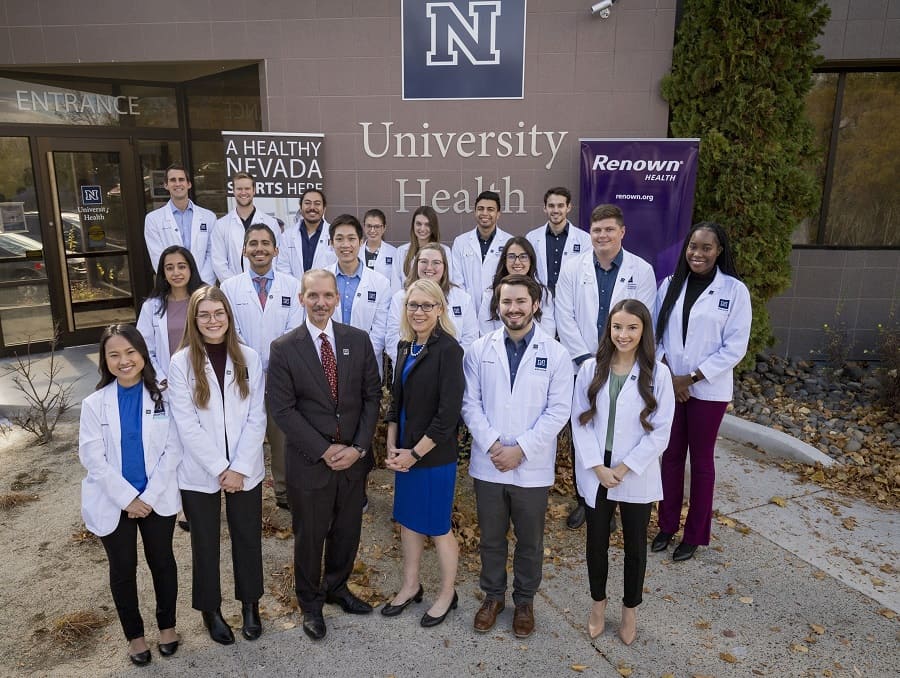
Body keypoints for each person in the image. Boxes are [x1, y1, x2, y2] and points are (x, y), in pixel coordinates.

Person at [266, 270, 382, 641]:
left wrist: (359, 448)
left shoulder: (357, 341)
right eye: (313, 295)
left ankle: (337, 587)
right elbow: (282, 409)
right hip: (311, 462)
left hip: (352, 461)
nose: (321, 302)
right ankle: (310, 603)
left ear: (337, 299)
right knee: (310, 536)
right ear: (301, 298)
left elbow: (371, 397)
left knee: (347, 531)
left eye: (328, 295)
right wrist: (323, 449)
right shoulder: (284, 348)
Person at [462, 275, 572, 638]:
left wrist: (521, 449)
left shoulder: (555, 354)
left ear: (535, 304)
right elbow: (469, 404)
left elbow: (558, 412)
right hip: (489, 463)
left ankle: (524, 601)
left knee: (530, 540)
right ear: (498, 305)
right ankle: (493, 597)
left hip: (531, 466)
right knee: (491, 538)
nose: (513, 309)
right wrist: (495, 446)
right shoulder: (479, 349)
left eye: (521, 301)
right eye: (506, 302)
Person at [571, 299, 675, 645]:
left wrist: (624, 467)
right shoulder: (591, 368)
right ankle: (598, 604)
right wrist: (598, 467)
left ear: (643, 330)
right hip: (597, 470)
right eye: (617, 327)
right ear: (609, 329)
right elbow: (579, 421)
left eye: (632, 327)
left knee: (635, 548)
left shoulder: (658, 374)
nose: (624, 334)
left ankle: (630, 609)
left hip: (634, 470)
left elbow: (661, 431)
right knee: (596, 544)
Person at [167, 287, 267, 645]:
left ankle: (251, 605)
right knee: (205, 543)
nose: (213, 321)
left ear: (229, 316)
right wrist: (219, 467)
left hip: (246, 468)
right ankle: (211, 610)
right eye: (205, 315)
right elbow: (185, 423)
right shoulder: (180, 363)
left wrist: (238, 467)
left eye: (219, 313)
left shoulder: (249, 358)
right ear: (194, 320)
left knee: (247, 537)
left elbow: (257, 416)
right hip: (200, 471)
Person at [78, 325, 182, 666]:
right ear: (104, 360)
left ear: (142, 354)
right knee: (123, 569)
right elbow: (92, 458)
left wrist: (148, 497)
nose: (124, 361)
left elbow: (173, 449)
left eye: (130, 353)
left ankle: (167, 627)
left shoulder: (163, 397)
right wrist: (128, 499)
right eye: (114, 355)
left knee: (162, 562)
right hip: (113, 500)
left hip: (156, 497)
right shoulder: (94, 404)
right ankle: (135, 636)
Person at [650, 222, 752, 562]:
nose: (698, 253)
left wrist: (691, 378)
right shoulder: (669, 285)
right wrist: (669, 374)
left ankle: (694, 535)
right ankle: (666, 525)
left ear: (719, 250)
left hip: (708, 391)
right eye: (693, 246)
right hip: (672, 385)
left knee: (702, 462)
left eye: (706, 247)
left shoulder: (734, 291)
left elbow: (734, 347)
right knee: (672, 456)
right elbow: (656, 334)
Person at [555, 203, 657, 530]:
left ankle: (614, 500)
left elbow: (642, 319)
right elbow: (564, 316)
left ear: (622, 232)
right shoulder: (573, 269)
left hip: (623, 365)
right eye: (597, 230)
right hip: (583, 364)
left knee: (618, 428)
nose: (602, 236)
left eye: (609, 230)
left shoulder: (641, 271)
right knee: (583, 428)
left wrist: (614, 360)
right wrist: (587, 361)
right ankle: (586, 500)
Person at [382, 279, 465, 627]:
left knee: (437, 526)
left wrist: (414, 454)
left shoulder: (449, 350)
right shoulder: (405, 346)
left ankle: (447, 592)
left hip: (432, 456)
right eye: (412, 305)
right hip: (405, 451)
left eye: (426, 305)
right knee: (408, 522)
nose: (418, 312)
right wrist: (390, 442)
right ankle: (411, 584)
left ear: (440, 309)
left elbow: (448, 417)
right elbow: (396, 401)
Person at [220, 223, 303, 510]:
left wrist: (273, 363)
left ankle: (283, 492)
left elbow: (295, 327)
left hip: (282, 376)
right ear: (244, 250)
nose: (259, 248)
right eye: (253, 243)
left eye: (265, 243)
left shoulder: (292, 286)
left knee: (281, 437)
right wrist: (255, 363)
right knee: (244, 434)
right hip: (243, 374)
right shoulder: (229, 287)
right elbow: (231, 329)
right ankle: (242, 488)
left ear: (275, 250)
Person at [385, 242, 478, 363]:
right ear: (416, 264)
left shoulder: (462, 298)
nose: (429, 267)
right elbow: (392, 339)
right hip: (410, 370)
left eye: (436, 263)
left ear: (444, 266)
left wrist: (447, 363)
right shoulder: (400, 298)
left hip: (450, 369)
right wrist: (418, 364)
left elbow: (470, 340)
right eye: (423, 261)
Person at [325, 214, 392, 378]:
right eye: (339, 239)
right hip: (328, 361)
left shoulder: (380, 283)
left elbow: (380, 329)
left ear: (361, 242)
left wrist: (359, 356)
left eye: (351, 238)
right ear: (331, 243)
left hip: (366, 364)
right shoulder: (322, 278)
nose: (345, 245)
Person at [137, 246, 206, 387]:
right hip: (169, 381)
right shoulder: (151, 306)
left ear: (191, 269)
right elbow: (143, 347)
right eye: (169, 268)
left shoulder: (205, 300)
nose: (176, 273)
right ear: (163, 273)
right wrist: (161, 378)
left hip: (204, 376)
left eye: (182, 266)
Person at [144, 162, 217, 285]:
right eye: (173, 180)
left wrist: (201, 282)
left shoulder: (209, 217)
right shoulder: (153, 219)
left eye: (181, 179)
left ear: (189, 184)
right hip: (173, 286)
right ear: (166, 185)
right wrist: (177, 282)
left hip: (202, 285)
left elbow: (213, 254)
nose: (177, 184)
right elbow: (158, 258)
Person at [478, 236, 556, 338]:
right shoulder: (490, 294)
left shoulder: (544, 294)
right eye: (511, 256)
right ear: (504, 260)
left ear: (531, 260)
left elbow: (548, 333)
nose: (517, 262)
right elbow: (486, 335)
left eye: (523, 256)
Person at [211, 172, 282, 282]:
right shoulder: (221, 225)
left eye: (247, 188)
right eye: (239, 189)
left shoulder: (271, 223)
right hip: (233, 289)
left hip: (266, 285)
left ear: (253, 190)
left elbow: (276, 259)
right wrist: (235, 286)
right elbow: (219, 263)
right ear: (233, 191)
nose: (243, 192)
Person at [526, 187, 591, 295]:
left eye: (560, 206)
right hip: (541, 299)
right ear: (545, 208)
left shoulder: (584, 239)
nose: (556, 210)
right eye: (551, 206)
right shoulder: (532, 237)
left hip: (572, 298)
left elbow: (588, 275)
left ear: (568, 207)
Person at [451, 190, 512, 306]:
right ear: (475, 212)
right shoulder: (460, 242)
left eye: (490, 209)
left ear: (498, 214)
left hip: (499, 308)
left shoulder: (509, 242)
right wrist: (466, 306)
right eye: (480, 209)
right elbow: (457, 281)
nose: (485, 213)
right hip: (468, 307)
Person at [276, 188, 335, 278]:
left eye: (317, 204)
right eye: (307, 203)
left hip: (325, 290)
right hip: (294, 290)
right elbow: (283, 269)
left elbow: (337, 268)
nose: (312, 207)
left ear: (324, 209)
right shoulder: (287, 236)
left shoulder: (334, 235)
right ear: (300, 207)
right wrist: (299, 289)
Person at [393, 206, 454, 289]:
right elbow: (395, 285)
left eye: (427, 225)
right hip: (407, 300)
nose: (422, 228)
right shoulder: (401, 251)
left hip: (435, 299)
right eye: (418, 224)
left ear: (433, 227)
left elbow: (446, 281)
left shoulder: (445, 251)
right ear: (413, 225)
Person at [362, 208, 400, 294]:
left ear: (384, 228)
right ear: (364, 227)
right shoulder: (356, 251)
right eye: (369, 226)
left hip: (385, 301)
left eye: (376, 226)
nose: (372, 230)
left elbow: (396, 284)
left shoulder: (394, 253)